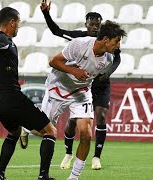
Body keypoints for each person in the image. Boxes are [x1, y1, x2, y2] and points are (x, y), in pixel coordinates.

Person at [19, 0, 122, 170]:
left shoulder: (109, 47)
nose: (95, 27)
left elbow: (117, 57)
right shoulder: (79, 40)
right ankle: (33, 132)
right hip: (65, 83)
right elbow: (56, 31)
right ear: (86, 25)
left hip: (94, 84)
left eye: (98, 25)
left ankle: (95, 158)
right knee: (48, 128)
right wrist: (46, 13)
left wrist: (107, 73)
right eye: (92, 25)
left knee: (96, 120)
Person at [0, 7, 56, 180]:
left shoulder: (0, 40)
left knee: (13, 133)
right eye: (18, 23)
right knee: (50, 131)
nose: (19, 27)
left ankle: (0, 174)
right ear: (12, 23)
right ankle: (44, 176)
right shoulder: (1, 39)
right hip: (11, 97)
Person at [40, 20, 126, 180]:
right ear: (106, 39)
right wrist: (73, 70)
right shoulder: (79, 44)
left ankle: (74, 177)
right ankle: (26, 128)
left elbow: (90, 77)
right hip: (58, 87)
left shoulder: (107, 60)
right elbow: (54, 61)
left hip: (81, 92)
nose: (118, 46)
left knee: (86, 133)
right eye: (117, 41)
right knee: (42, 130)